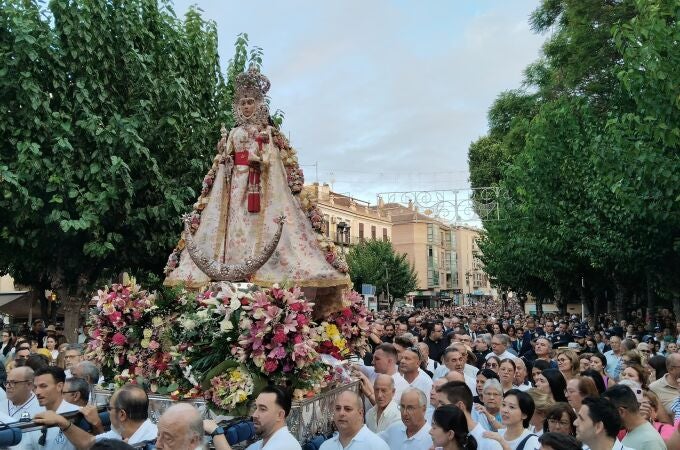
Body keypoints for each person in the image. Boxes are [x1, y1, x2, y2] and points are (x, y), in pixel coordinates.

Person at [163, 65, 351, 316]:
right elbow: (223, 161)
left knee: (258, 228)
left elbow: (274, 163)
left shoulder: (268, 133)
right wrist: (226, 165)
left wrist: (259, 159)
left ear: (259, 104)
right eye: (243, 102)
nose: (246, 107)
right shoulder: (232, 133)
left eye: (251, 102)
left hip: (259, 187)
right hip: (232, 189)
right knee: (232, 228)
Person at [36, 383, 158, 449]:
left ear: (122, 415)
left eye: (109, 409)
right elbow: (88, 443)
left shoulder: (153, 442)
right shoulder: (121, 432)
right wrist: (62, 422)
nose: (107, 413)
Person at [436, 381, 502, 450]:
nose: (438, 408)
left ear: (460, 406)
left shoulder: (490, 444)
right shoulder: (443, 440)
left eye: (443, 404)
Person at [602, 384, 667, 450]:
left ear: (621, 411)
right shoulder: (633, 432)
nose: (606, 417)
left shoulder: (650, 442)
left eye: (608, 412)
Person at [319, 391, 389, 450]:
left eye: (347, 409)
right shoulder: (326, 446)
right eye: (338, 408)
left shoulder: (377, 446)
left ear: (360, 413)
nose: (341, 413)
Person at [32, 366, 80, 450]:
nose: (37, 392)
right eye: (35, 387)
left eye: (43, 386)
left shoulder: (76, 414)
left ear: (59, 386)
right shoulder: (35, 415)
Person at [246, 386, 300, 450]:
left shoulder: (282, 446)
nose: (254, 415)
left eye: (262, 409)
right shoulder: (262, 443)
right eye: (256, 407)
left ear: (280, 415)